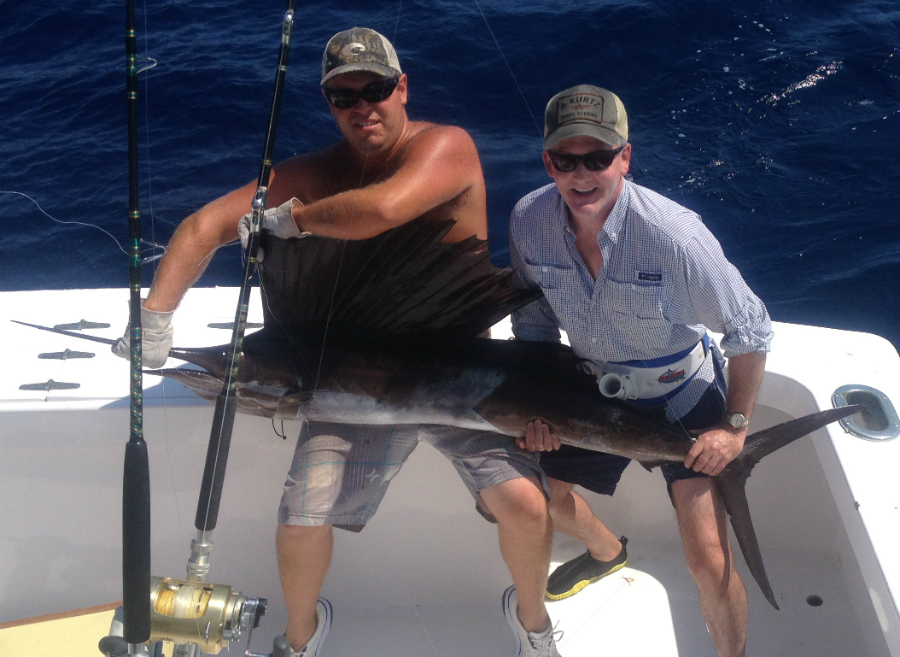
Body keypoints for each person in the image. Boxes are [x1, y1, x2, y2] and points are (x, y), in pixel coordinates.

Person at [114, 28, 560, 657]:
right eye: (344, 97)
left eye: (375, 89)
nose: (363, 107)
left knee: (525, 504)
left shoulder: (446, 147)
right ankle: (301, 638)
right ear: (330, 106)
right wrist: (154, 318)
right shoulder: (316, 171)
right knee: (299, 521)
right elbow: (202, 226)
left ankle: (534, 625)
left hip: (462, 373)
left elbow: (380, 210)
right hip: (354, 380)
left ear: (402, 88)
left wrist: (292, 219)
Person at [509, 84, 772, 657]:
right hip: (590, 392)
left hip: (684, 399)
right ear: (547, 160)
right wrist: (538, 405)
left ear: (624, 157)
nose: (583, 175)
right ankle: (607, 552)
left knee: (708, 562)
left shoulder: (676, 237)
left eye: (599, 158)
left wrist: (734, 428)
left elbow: (751, 328)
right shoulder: (528, 221)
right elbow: (532, 322)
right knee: (538, 498)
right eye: (566, 159)